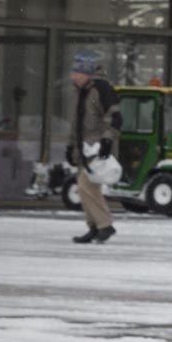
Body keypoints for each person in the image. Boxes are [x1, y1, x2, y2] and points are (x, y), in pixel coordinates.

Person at [66, 52, 118, 246]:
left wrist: (106, 141)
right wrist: (71, 146)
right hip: (83, 148)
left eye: (77, 73)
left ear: (87, 73)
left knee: (87, 187)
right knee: (85, 188)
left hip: (97, 147)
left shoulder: (100, 89)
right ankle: (95, 226)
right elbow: (77, 123)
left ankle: (104, 225)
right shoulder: (80, 92)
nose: (73, 76)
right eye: (73, 73)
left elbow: (113, 118)